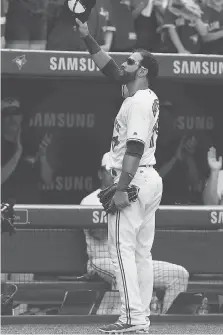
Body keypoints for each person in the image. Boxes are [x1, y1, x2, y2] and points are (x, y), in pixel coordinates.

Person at [75, 19, 162, 333]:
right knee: (141, 252)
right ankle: (141, 318)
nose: (123, 63)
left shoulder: (138, 101)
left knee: (121, 250)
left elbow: (135, 146)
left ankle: (131, 317)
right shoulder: (142, 95)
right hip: (148, 179)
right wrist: (88, 39)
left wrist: (122, 186)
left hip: (134, 179)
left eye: (130, 61)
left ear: (141, 71)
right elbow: (111, 70)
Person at [81, 153, 189, 315]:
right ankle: (116, 319)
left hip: (134, 258)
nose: (114, 175)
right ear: (100, 174)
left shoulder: (133, 197)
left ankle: (166, 325)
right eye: (111, 171)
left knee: (179, 274)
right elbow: (99, 233)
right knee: (126, 273)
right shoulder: (90, 201)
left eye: (118, 171)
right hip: (103, 260)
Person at [1, 97, 53, 204]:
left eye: (15, 113)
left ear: (21, 117)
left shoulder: (32, 143)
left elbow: (48, 180)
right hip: (5, 211)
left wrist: (43, 158)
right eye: (7, 114)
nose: (12, 118)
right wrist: (17, 154)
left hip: (32, 209)